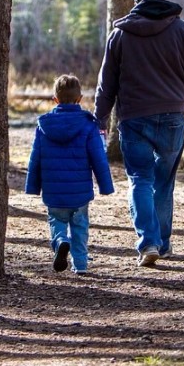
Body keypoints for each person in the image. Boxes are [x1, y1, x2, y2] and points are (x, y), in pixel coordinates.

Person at [94, 0, 184, 267]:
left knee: (140, 180)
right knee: (164, 182)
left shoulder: (119, 35)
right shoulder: (182, 30)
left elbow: (106, 85)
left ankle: (149, 243)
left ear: (137, 2)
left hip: (133, 118)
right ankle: (163, 244)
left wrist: (100, 118)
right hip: (172, 115)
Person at [25, 74, 115, 274]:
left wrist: (32, 186)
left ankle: (60, 242)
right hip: (80, 191)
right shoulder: (88, 125)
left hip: (53, 190)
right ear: (80, 99)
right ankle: (81, 265)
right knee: (80, 226)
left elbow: (35, 157)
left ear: (55, 99)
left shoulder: (44, 126)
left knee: (56, 220)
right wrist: (106, 186)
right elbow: (98, 157)